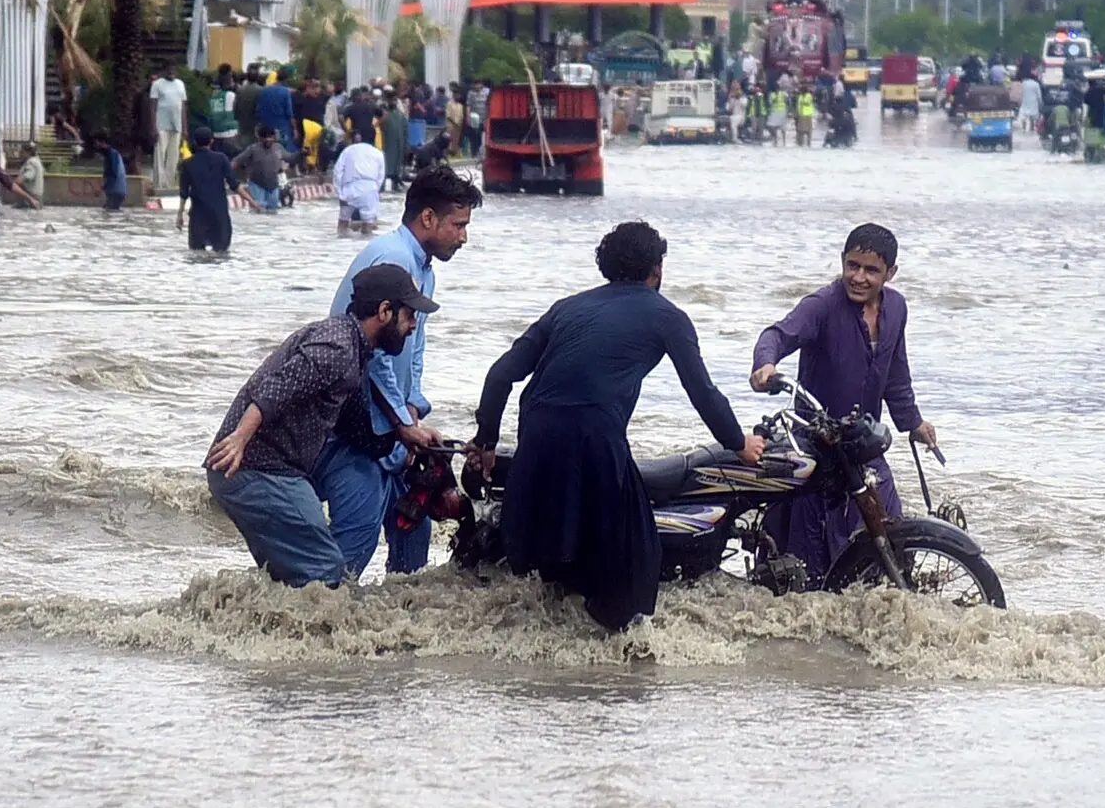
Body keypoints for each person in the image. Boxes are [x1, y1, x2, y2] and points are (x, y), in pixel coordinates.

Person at [471, 222, 763, 631]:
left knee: (564, 549)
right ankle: (621, 656)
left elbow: (501, 374)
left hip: (536, 434)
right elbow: (702, 391)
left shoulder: (567, 307)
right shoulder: (668, 316)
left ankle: (548, 643)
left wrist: (485, 440)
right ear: (657, 269)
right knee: (636, 560)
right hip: (595, 437)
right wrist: (739, 443)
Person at [207, 263, 436, 588]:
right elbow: (274, 389)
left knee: (284, 583)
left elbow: (357, 431)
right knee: (326, 571)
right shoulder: (338, 349)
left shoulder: (355, 348)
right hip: (254, 470)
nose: (413, 325)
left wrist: (410, 440)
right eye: (409, 315)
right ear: (385, 311)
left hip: (262, 470)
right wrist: (240, 439)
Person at [313, 165, 482, 577]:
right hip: (357, 431)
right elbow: (374, 356)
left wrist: (412, 411)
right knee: (355, 541)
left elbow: (415, 347)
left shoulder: (423, 268)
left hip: (393, 427)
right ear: (428, 218)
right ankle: (311, 622)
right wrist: (402, 422)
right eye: (458, 225)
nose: (464, 237)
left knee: (414, 532)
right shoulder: (393, 259)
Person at [748, 224, 935, 582]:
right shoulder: (822, 306)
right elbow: (776, 334)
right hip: (816, 444)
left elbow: (896, 372)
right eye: (852, 266)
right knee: (811, 558)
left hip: (863, 444)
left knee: (891, 541)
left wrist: (913, 422)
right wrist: (765, 364)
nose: (859, 277)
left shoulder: (896, 309)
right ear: (842, 263)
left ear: (890, 274)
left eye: (871, 270)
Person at [177, 125, 240, 252]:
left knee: (197, 253)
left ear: (195, 141)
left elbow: (184, 193)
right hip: (219, 215)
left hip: (198, 217)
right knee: (221, 254)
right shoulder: (221, 158)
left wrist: (180, 215)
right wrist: (253, 203)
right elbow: (234, 185)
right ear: (211, 140)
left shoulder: (187, 164)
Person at [333, 140, 386, 237]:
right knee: (368, 226)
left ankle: (339, 247)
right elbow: (380, 176)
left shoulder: (348, 150)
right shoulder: (378, 153)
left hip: (349, 188)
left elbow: (337, 171)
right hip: (370, 189)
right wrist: (374, 190)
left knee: (343, 224)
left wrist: (339, 193)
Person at [147, 63, 187, 191]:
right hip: (161, 125)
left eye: (173, 69)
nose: (171, 72)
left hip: (177, 125)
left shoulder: (180, 84)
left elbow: (183, 107)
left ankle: (169, 184)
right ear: (164, 70)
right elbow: (152, 107)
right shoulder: (157, 84)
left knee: (174, 155)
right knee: (160, 154)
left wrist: (185, 128)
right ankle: (159, 184)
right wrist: (153, 127)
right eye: (169, 69)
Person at [231, 125, 286, 212]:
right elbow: (237, 161)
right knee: (258, 211)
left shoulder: (278, 148)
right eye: (265, 137)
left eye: (270, 137)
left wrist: (301, 153)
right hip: (256, 185)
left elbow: (290, 157)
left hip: (273, 186)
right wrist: (226, 173)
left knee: (273, 211)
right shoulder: (253, 149)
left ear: (274, 137)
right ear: (260, 138)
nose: (268, 139)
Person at [257, 66, 298, 151]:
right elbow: (289, 114)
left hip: (266, 128)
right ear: (286, 80)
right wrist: (295, 130)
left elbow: (259, 110)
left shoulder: (264, 90)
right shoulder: (285, 92)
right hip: (281, 129)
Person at [90, 132, 126, 210]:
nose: (95, 146)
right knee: (108, 212)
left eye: (96, 143)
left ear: (103, 143)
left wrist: (101, 189)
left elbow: (113, 174)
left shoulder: (112, 154)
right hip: (115, 191)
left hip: (116, 192)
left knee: (109, 213)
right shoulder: (111, 154)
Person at [382, 90, 409, 186]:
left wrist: (406, 145)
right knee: (386, 165)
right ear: (387, 101)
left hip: (399, 144)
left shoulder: (400, 114)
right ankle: (383, 184)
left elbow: (405, 130)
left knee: (397, 164)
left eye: (395, 100)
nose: (393, 102)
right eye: (391, 100)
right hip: (387, 144)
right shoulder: (383, 113)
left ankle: (396, 182)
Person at [233, 65, 264, 143]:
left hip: (242, 125)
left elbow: (235, 107)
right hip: (254, 126)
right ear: (257, 77)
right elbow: (260, 109)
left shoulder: (240, 89)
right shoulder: (261, 90)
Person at [16, 143, 45, 207]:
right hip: (35, 199)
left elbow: (26, 177)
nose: (19, 155)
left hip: (31, 200)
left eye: (22, 152)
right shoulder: (36, 161)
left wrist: (12, 183)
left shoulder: (31, 163)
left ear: (28, 153)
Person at [1017, 72, 1043, 137]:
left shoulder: (1024, 83)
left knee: (1024, 114)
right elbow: (1039, 95)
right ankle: (1031, 128)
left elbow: (1021, 93)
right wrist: (1040, 103)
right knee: (1032, 115)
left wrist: (1019, 101)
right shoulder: (1036, 84)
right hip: (1033, 101)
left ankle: (1024, 128)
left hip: (1025, 100)